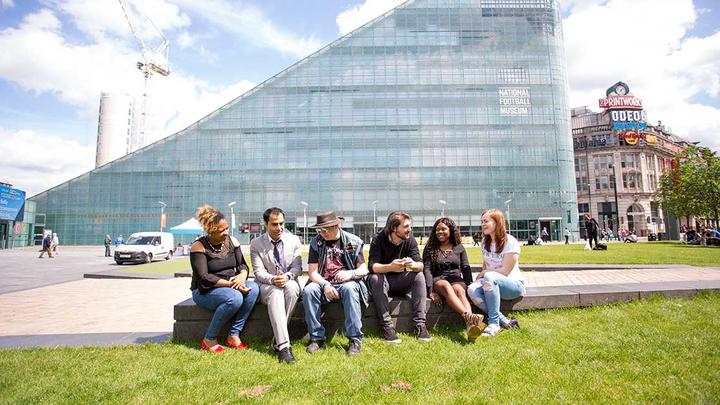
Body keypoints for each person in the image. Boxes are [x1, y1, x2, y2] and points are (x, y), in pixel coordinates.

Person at [189, 205, 259, 353]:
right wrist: (233, 285)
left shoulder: (232, 241)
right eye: (222, 230)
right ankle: (209, 339)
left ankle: (233, 335)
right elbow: (204, 278)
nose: (226, 232)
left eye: (227, 228)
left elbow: (243, 265)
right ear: (210, 230)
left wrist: (241, 276)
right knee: (234, 298)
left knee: (254, 289)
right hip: (205, 290)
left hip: (231, 284)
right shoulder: (198, 246)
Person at [302, 211, 368, 356]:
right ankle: (316, 337)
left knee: (350, 288)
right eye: (320, 229)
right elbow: (312, 272)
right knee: (308, 291)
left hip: (347, 283)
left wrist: (350, 274)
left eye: (326, 229)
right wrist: (325, 285)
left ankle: (354, 339)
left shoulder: (350, 242)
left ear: (337, 225)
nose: (323, 233)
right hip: (323, 282)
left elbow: (363, 269)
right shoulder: (317, 243)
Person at [249, 207, 303, 364]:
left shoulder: (294, 240)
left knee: (292, 289)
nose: (279, 228)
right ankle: (284, 347)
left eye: (282, 223)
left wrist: (286, 277)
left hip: (288, 281)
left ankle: (277, 340)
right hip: (267, 285)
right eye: (274, 224)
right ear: (266, 224)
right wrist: (273, 279)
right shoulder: (256, 244)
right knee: (275, 292)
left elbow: (297, 268)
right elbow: (258, 272)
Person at [367, 211, 430, 343]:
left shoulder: (410, 239)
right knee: (375, 278)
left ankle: (420, 325)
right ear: (394, 228)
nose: (410, 230)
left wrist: (413, 264)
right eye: (406, 226)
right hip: (382, 282)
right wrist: (390, 267)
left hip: (400, 281)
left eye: (410, 226)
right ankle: (387, 327)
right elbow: (372, 267)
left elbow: (421, 265)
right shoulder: (378, 239)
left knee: (418, 275)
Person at [423, 217, 485, 342]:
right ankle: (470, 317)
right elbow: (427, 270)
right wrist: (430, 291)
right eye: (437, 230)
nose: (440, 232)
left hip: (456, 278)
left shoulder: (459, 248)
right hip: (438, 279)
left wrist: (469, 286)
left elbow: (465, 268)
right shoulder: (430, 248)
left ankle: (470, 327)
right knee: (446, 286)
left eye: (443, 229)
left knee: (459, 290)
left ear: (451, 230)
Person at [467, 209, 524, 337]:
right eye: (481, 222)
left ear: (497, 222)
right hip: (491, 282)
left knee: (489, 276)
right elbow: (486, 264)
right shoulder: (484, 242)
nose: (482, 224)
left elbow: (505, 271)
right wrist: (480, 276)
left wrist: (485, 273)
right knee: (471, 289)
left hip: (513, 285)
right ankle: (505, 321)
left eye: (486, 221)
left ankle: (494, 324)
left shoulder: (510, 241)